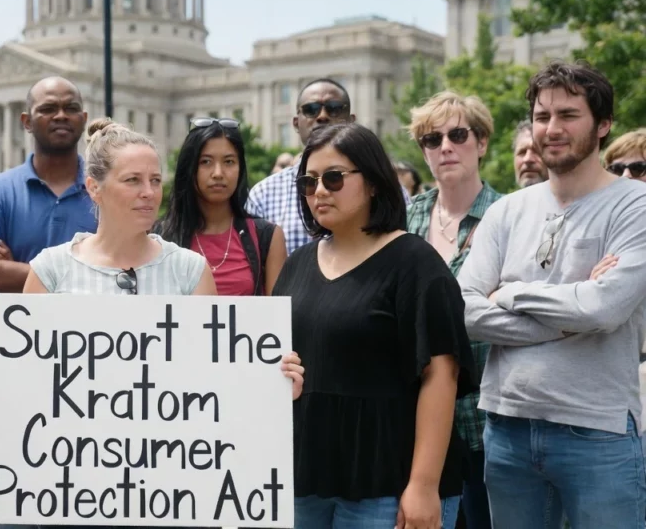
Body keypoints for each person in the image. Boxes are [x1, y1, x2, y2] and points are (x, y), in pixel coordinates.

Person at [0, 119, 304, 528]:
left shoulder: (189, 269)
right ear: (94, 188)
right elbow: (26, 380)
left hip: (168, 491)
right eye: (132, 180)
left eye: (155, 179)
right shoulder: (51, 268)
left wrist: (270, 383)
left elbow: (214, 378)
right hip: (75, 493)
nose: (149, 192)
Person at [458, 61, 646, 527]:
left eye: (568, 115)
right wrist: (571, 310)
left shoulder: (635, 206)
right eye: (543, 117)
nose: (552, 129)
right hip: (505, 426)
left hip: (597, 429)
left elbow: (604, 309)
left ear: (603, 125)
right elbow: (462, 308)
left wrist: (512, 292)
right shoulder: (506, 211)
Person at [274, 122, 475, 529]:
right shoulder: (296, 265)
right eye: (309, 182)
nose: (320, 191)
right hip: (304, 479)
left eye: (334, 178)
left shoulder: (416, 263)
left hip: (389, 482)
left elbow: (441, 375)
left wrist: (422, 484)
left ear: (373, 183)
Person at [404, 92, 503, 529]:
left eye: (458, 134)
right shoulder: (405, 218)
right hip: (416, 424)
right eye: (431, 138)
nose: (445, 146)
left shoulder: (509, 215)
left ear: (481, 142)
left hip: (488, 422)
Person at [0, 76, 97, 300]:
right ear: (27, 122)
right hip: (19, 332)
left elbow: (128, 272)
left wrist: (16, 270)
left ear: (83, 120)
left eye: (71, 108)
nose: (61, 115)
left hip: (95, 333)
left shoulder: (108, 192)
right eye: (48, 108)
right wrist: (88, 276)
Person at [157, 117, 287, 295]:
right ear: (189, 168)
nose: (218, 173)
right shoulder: (160, 237)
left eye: (229, 162)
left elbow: (277, 316)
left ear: (240, 169)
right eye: (206, 162)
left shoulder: (267, 236)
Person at [246, 78, 356, 255]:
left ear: (351, 121)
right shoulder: (263, 195)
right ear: (296, 123)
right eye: (311, 109)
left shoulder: (376, 184)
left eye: (334, 108)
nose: (322, 116)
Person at [512, 120, 548, 188]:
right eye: (522, 152)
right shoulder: (505, 199)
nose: (527, 159)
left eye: (537, 151)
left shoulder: (572, 198)